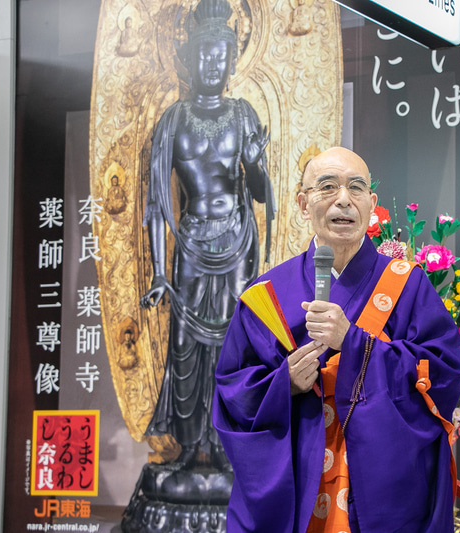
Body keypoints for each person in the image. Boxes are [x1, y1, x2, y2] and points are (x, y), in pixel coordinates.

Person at [213, 147, 460, 532]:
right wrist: (284, 384)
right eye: (328, 187)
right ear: (303, 203)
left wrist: (355, 343)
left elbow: (443, 376)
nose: (344, 199)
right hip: (299, 472)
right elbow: (233, 389)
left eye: (356, 188)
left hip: (380, 478)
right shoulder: (267, 294)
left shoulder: (409, 285)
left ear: (372, 204)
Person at [140, 0, 273, 469]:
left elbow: (261, 193)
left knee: (232, 346)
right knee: (184, 346)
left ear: (233, 60)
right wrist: (159, 272)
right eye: (203, 55)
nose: (212, 65)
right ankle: (189, 445)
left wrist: (255, 165)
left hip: (236, 240)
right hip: (191, 242)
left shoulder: (243, 115)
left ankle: (225, 445)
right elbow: (156, 204)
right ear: (187, 58)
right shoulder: (172, 121)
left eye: (220, 56)